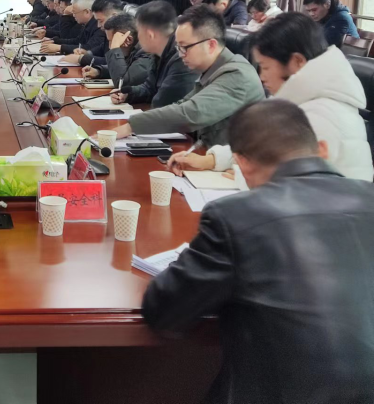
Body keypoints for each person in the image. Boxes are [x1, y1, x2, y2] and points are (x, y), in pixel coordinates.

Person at [143, 99, 374, 404]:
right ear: (322, 149)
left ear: (242, 163)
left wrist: (189, 258)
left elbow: (163, 310)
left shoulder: (233, 216)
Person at [168, 12, 373, 181]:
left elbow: (295, 190)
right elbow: (260, 147)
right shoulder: (298, 97)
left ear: (297, 62)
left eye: (265, 67)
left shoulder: (323, 116)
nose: (261, 77)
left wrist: (243, 178)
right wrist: (211, 160)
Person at [113, 6, 264, 145]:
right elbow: (182, 104)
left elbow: (190, 113)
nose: (180, 54)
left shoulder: (237, 75)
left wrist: (131, 126)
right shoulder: (212, 71)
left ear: (211, 45)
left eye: (185, 47)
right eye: (178, 47)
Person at [109, 0, 198, 109]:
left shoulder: (182, 59)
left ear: (150, 35)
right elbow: (149, 88)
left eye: (139, 31)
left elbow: (164, 105)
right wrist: (128, 94)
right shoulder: (158, 54)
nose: (137, 37)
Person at [82, 13, 154, 86]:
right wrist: (99, 71)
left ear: (128, 40)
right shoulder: (133, 48)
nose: (110, 46)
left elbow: (122, 83)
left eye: (112, 41)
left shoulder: (147, 52)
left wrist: (115, 48)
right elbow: (125, 69)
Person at [68, 0, 127, 66]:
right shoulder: (111, 30)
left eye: (101, 21)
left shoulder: (126, 35)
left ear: (114, 16)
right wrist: (87, 53)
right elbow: (102, 49)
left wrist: (81, 59)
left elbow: (112, 62)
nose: (98, 25)